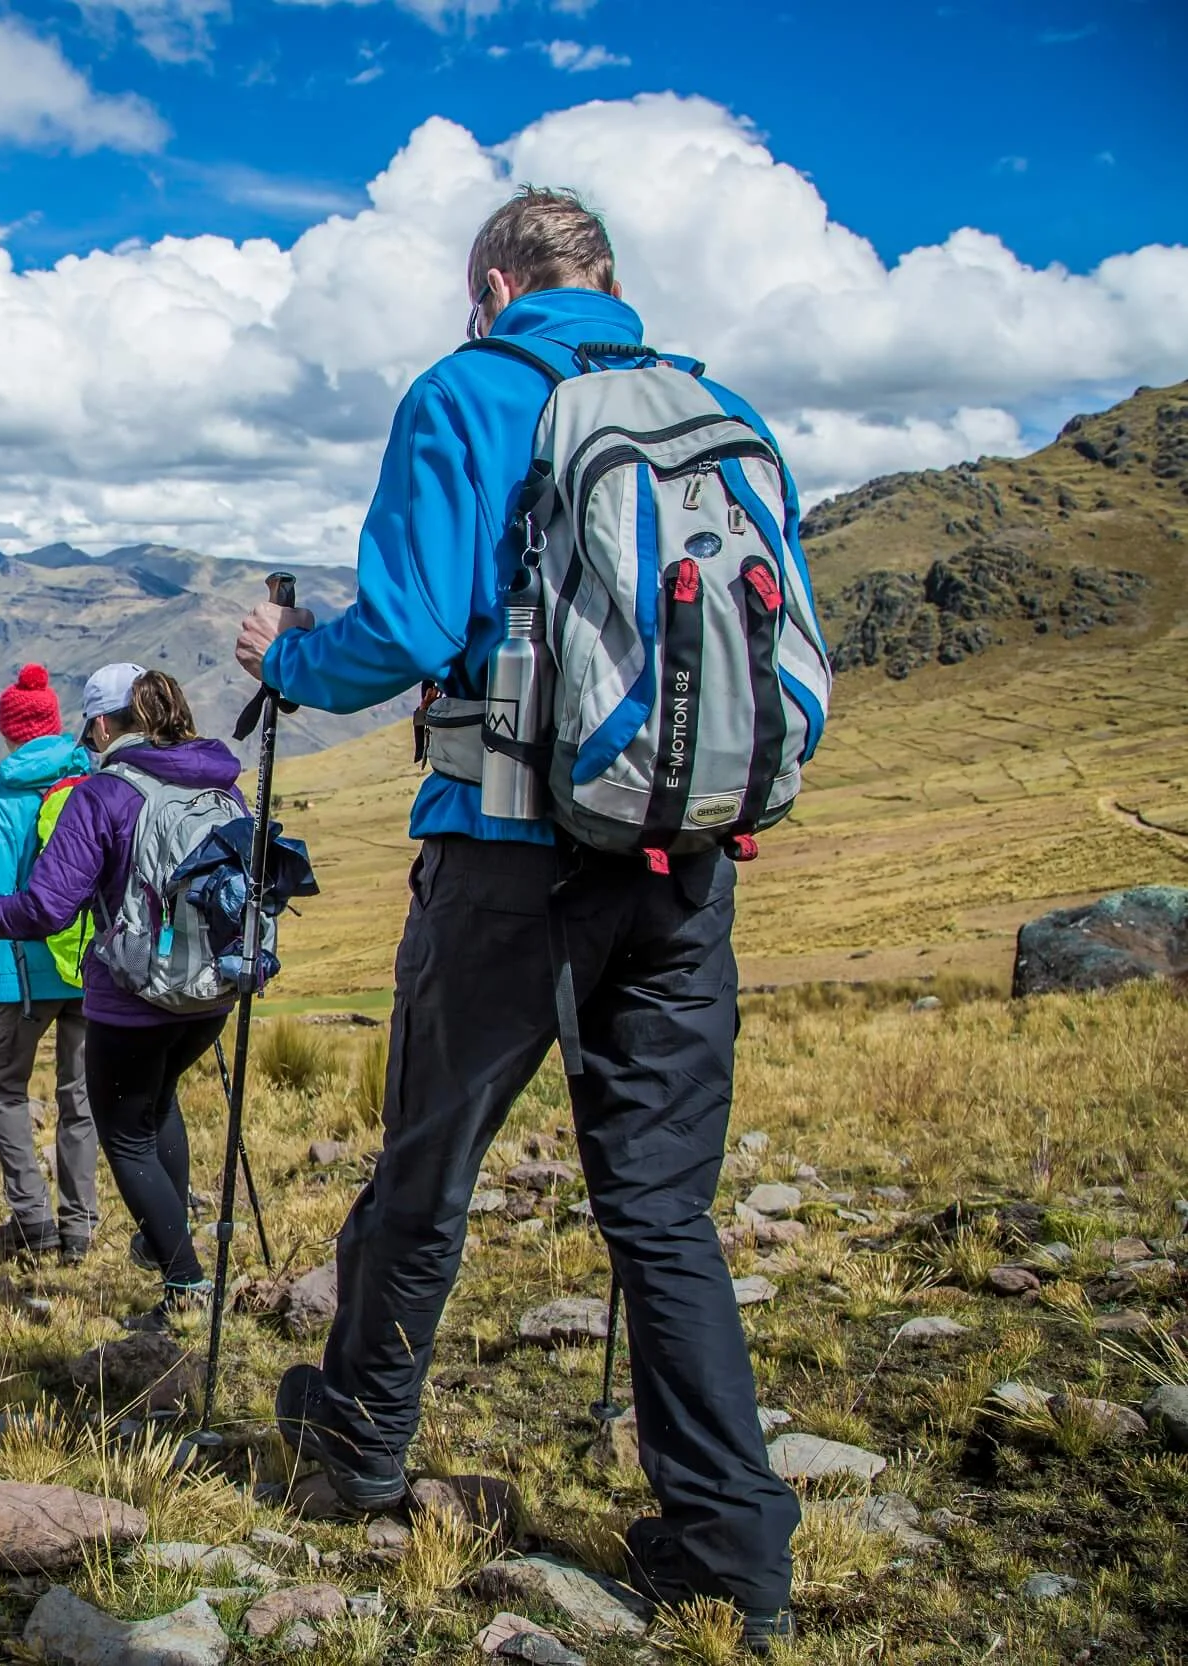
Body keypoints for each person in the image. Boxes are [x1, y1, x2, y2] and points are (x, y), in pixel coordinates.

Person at [232, 188, 806, 1649]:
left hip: (506, 855)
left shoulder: (467, 391)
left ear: (493, 283)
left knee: (427, 1165)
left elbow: (410, 629)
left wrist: (286, 657)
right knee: (661, 1209)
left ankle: (360, 1445)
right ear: (604, 279)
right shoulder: (720, 412)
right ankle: (733, 1552)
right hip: (685, 861)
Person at [0, 665, 242, 1330]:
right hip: (211, 991)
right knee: (156, 1104)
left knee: (126, 1135)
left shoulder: (104, 794)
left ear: (104, 725)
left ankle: (186, 1284)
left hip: (133, 996)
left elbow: (46, 908)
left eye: (90, 731)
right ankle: (161, 1238)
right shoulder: (221, 782)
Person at [0, 665, 99, 1264]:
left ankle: (34, 1219)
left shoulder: (6, 793)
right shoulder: (90, 778)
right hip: (89, 965)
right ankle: (80, 1227)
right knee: (81, 1097)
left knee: (3, 1085)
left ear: (10, 730)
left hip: (21, 972)